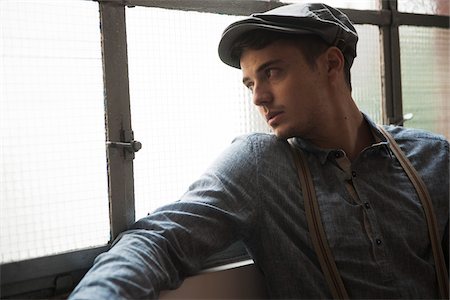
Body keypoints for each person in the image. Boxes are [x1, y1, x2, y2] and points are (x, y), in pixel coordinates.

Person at [69, 3, 449, 299]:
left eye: (272, 72)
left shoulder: (433, 158)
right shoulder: (259, 166)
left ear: (331, 64)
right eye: (249, 83)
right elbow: (159, 240)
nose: (258, 97)